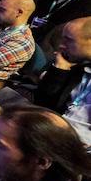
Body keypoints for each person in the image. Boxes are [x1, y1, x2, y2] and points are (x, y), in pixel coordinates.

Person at [35, 17, 91, 147]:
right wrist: (59, 69)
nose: (61, 45)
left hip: (77, 150)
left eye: (69, 40)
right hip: (53, 133)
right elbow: (42, 103)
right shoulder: (75, 66)